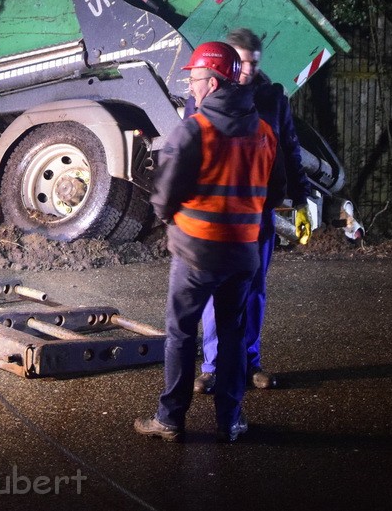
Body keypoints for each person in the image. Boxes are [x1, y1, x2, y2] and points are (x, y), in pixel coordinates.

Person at [134, 41, 282, 443]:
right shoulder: (265, 131)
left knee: (181, 333)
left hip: (197, 251)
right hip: (243, 253)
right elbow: (276, 191)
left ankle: (170, 420)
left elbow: (163, 198)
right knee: (233, 333)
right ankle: (230, 421)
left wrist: (177, 222)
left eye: (196, 79)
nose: (192, 88)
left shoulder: (194, 129)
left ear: (214, 83)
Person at [192, 28, 313, 395]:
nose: (247, 71)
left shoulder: (273, 98)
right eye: (242, 62)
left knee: (255, 290)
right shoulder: (209, 94)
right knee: (215, 291)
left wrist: (301, 200)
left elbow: (290, 149)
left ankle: (249, 363)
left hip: (261, 211)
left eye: (254, 64)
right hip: (219, 213)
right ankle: (212, 367)